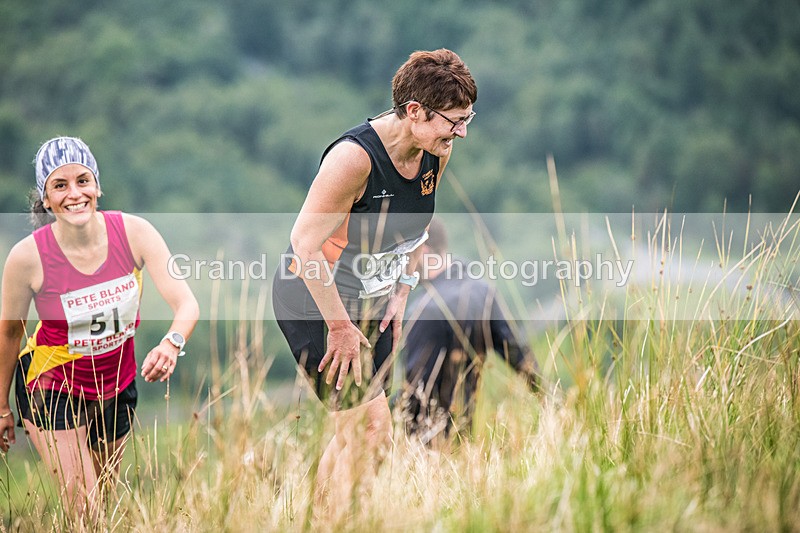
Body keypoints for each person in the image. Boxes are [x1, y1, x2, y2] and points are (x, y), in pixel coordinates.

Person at [271, 49, 477, 507]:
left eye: (468, 119)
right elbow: (304, 246)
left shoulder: (434, 150)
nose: (461, 132)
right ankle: (346, 520)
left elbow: (417, 226)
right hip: (314, 300)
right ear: (414, 112)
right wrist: (340, 327)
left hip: (372, 300)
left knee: (355, 432)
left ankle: (311, 514)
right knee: (373, 429)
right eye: (454, 120)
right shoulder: (354, 159)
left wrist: (401, 292)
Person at [0, 137, 199, 517]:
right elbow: (9, 334)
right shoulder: (27, 258)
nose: (74, 194)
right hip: (52, 385)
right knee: (87, 511)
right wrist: (0, 407)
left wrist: (171, 343)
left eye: (82, 180)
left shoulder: (134, 232)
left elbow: (186, 302)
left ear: (97, 186)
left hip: (116, 386)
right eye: (60, 186)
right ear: (46, 199)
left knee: (105, 506)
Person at [399, 217, 540, 444]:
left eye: (405, 257)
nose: (402, 266)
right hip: (465, 436)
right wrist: (555, 404)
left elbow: (414, 390)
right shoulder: (483, 292)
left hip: (426, 447)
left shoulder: (423, 310)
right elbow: (521, 359)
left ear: (422, 251)